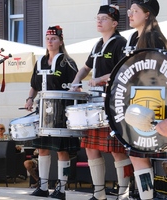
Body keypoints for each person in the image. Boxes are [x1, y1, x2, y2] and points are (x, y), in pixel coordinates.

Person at [70, 5, 133, 200]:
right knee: (90, 148)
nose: (99, 21)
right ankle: (99, 194)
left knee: (116, 150)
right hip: (94, 102)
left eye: (103, 18)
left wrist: (101, 79)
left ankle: (124, 192)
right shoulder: (98, 44)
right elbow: (86, 67)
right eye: (97, 18)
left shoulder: (120, 43)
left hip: (113, 101)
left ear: (114, 23)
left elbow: (121, 70)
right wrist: (76, 81)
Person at [24, 25, 80, 200]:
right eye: (48, 38)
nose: (50, 41)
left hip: (62, 110)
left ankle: (61, 189)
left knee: (62, 150)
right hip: (43, 110)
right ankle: (42, 186)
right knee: (42, 149)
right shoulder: (40, 61)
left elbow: (76, 86)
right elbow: (34, 84)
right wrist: (30, 99)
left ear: (61, 41)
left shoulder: (67, 62)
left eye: (54, 38)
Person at [125, 1, 167, 199]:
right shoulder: (134, 38)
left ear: (147, 14)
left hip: (157, 105)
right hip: (139, 105)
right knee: (136, 153)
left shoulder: (155, 39)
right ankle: (147, 196)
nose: (130, 15)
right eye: (129, 11)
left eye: (135, 11)